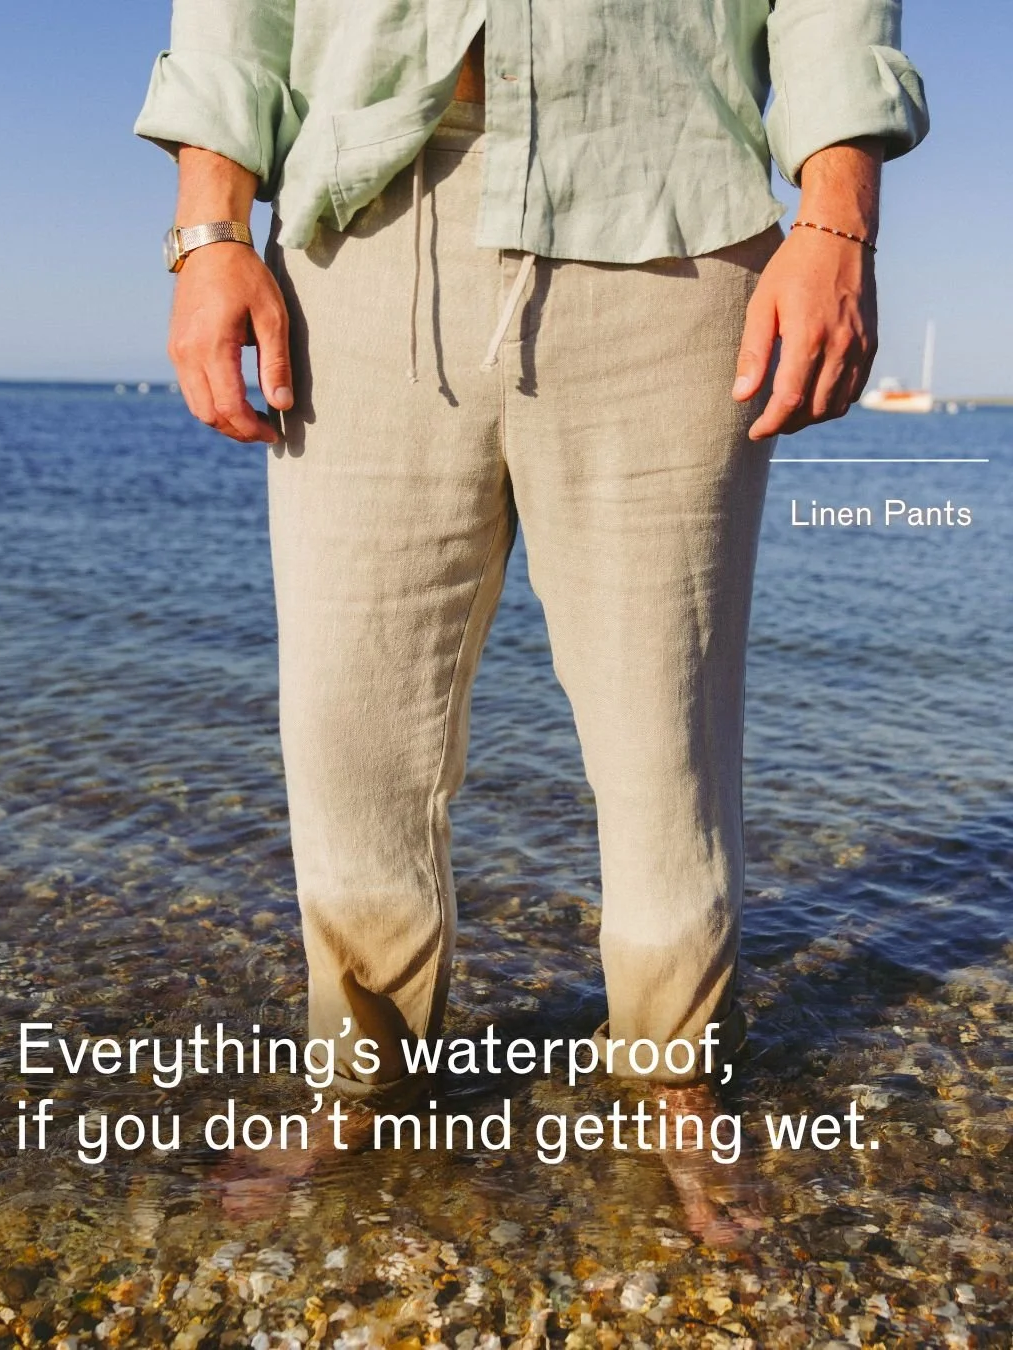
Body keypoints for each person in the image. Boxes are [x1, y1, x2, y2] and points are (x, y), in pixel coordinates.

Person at [134, 0, 927, 1178]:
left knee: (665, 719)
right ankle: (365, 1070)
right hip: (362, 230)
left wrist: (838, 222)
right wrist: (209, 233)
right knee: (349, 720)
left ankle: (677, 1069)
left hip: (670, 217)